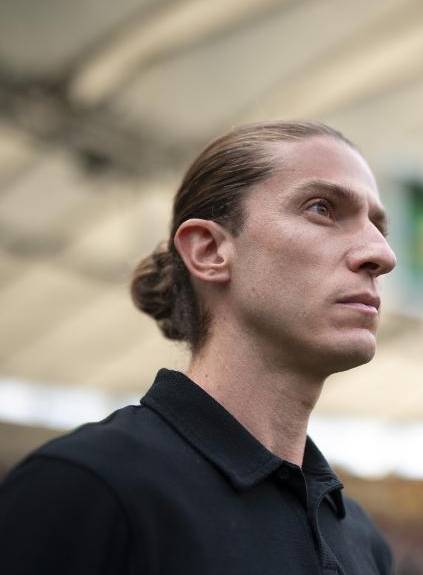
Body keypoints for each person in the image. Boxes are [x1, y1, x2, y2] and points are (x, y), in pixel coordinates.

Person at [0, 121, 396, 574]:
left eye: (378, 225)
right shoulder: (86, 487)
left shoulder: (362, 541)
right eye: (322, 208)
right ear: (208, 251)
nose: (381, 254)